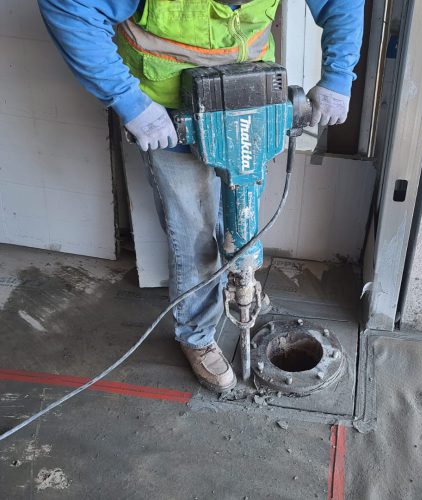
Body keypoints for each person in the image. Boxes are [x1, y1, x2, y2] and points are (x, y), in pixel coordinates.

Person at [39, 0, 364, 392]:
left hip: (251, 101)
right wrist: (130, 103)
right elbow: (70, 8)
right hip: (172, 118)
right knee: (193, 236)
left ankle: (241, 291)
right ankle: (196, 334)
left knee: (240, 221)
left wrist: (339, 76)